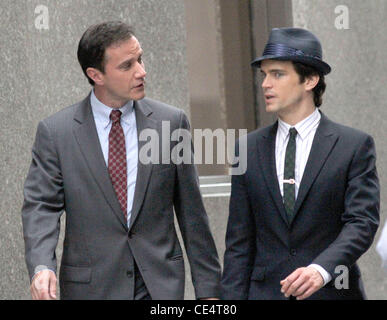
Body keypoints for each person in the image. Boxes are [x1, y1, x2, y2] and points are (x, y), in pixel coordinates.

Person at [22, 21, 221, 300]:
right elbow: (41, 207)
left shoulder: (171, 124)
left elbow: (192, 213)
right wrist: (42, 266)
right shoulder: (57, 133)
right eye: (127, 66)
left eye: (140, 59)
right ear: (96, 75)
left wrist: (209, 292)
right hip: (91, 288)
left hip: (158, 286)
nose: (142, 71)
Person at [221, 27, 380, 300]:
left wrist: (321, 269)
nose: (265, 84)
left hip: (332, 292)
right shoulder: (246, 148)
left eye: (278, 74)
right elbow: (239, 243)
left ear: (310, 80)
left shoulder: (354, 146)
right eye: (264, 75)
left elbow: (361, 222)